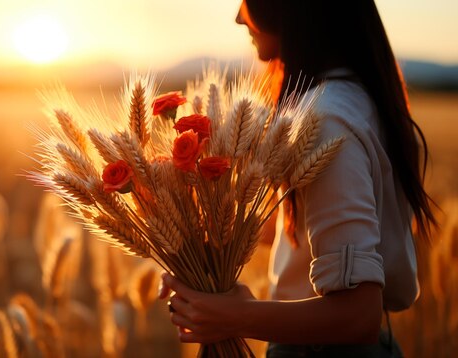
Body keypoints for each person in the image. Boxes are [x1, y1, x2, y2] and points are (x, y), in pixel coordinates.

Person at [158, 0, 438, 356]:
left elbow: (358, 315)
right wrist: (193, 251)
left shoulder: (327, 121)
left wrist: (235, 316)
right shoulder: (357, 99)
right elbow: (300, 230)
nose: (238, 16)